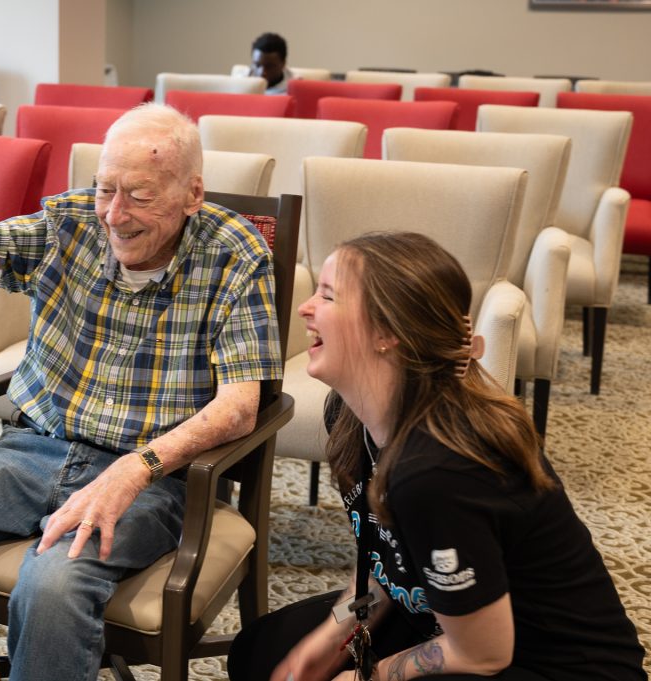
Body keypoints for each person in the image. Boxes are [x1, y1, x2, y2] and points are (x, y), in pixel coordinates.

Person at [0, 102, 283, 681]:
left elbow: (241, 408)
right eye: (104, 190)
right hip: (28, 452)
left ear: (193, 194)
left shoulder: (236, 254)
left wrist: (137, 469)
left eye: (139, 196)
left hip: (151, 478)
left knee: (52, 587)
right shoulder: (70, 222)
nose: (115, 215)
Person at [228, 232, 647, 681]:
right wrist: (334, 637)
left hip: (546, 662)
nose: (306, 308)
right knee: (262, 652)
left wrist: (364, 676)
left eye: (328, 296)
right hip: (439, 618)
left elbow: (484, 654)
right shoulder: (348, 415)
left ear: (386, 332)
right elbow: (391, 560)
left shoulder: (439, 470)